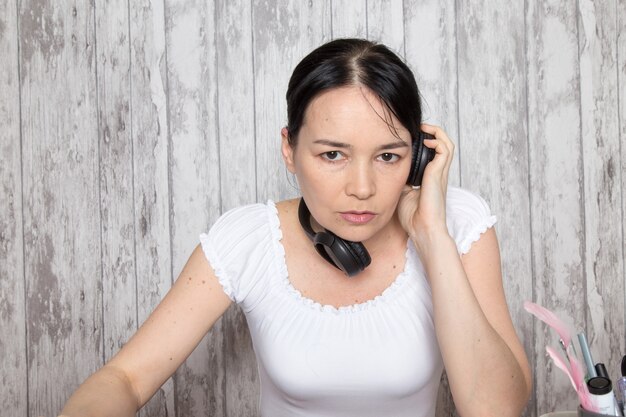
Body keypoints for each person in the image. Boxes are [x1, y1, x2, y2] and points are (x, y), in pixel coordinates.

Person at [59, 38, 531, 417]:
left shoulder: (459, 224)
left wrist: (432, 237)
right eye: (332, 155)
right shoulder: (247, 240)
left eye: (388, 156)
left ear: (420, 156)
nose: (362, 188)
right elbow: (124, 379)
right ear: (290, 149)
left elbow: (494, 407)